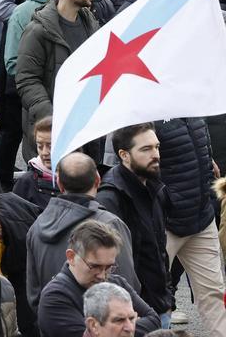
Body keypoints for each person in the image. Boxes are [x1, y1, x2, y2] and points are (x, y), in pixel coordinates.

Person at [26, 151, 139, 310]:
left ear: (59, 184)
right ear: (98, 180)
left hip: (54, 322)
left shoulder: (36, 227)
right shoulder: (110, 225)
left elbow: (33, 292)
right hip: (101, 326)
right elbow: (127, 288)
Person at [155, 116, 226, 334]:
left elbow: (200, 146)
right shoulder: (148, 111)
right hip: (165, 223)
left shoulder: (193, 107)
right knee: (153, 296)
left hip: (201, 219)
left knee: (213, 293)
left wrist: (208, 160)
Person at [96, 124, 173, 320]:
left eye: (156, 147)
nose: (155, 154)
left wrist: (168, 295)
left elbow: (158, 250)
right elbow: (112, 264)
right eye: (146, 149)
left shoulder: (154, 185)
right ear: (124, 155)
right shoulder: (111, 197)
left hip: (159, 305)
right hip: (134, 312)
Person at [36, 221, 161, 337]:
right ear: (71, 257)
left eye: (108, 267)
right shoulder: (54, 297)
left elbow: (154, 321)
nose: (102, 276)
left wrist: (112, 327)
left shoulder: (117, 283)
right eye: (94, 266)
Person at [15, 0, 99, 136]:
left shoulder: (90, 23)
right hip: (52, 130)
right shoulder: (38, 30)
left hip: (85, 124)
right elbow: (27, 79)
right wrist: (50, 117)